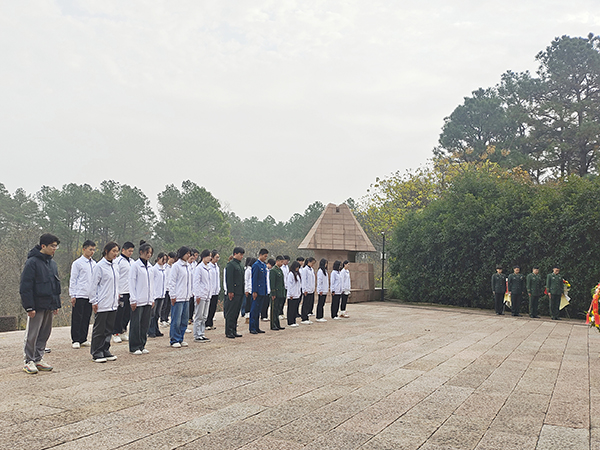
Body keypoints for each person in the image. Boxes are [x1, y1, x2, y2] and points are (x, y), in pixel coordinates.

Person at [20, 233, 61, 374]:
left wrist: (56, 304)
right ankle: (29, 360)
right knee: (33, 333)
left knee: (45, 333)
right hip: (36, 305)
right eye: (52, 246)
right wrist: (29, 306)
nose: (55, 249)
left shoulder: (52, 263)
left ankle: (38, 358)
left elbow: (55, 286)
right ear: (43, 246)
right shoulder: (32, 262)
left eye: (56, 246)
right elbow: (25, 286)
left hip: (49, 304)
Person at [89, 242, 120, 363]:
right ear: (106, 251)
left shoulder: (115, 265)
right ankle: (97, 351)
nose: (115, 254)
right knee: (100, 329)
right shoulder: (99, 266)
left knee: (109, 328)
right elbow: (93, 285)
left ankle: (105, 349)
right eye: (113, 251)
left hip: (112, 302)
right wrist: (94, 301)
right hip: (102, 302)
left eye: (117, 251)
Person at [69, 240, 97, 349]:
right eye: (90, 249)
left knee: (86, 317)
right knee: (77, 317)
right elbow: (73, 279)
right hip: (80, 293)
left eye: (94, 250)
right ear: (84, 249)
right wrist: (73, 294)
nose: (92, 252)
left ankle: (83, 338)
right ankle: (75, 339)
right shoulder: (77, 263)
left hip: (90, 295)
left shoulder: (94, 264)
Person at [128, 241, 154, 354]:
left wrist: (152, 298)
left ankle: (142, 344)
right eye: (147, 252)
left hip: (148, 300)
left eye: (150, 253)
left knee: (145, 324)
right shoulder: (135, 266)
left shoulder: (150, 267)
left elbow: (152, 284)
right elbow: (132, 283)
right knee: (136, 324)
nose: (148, 255)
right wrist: (133, 299)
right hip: (138, 300)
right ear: (141, 252)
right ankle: (134, 346)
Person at [168, 246, 193, 347]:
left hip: (186, 297)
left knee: (184, 319)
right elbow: (172, 281)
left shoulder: (188, 266)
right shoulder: (176, 266)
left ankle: (181, 338)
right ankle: (174, 339)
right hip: (178, 297)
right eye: (187, 253)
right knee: (176, 320)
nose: (188, 255)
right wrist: (172, 295)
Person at [112, 241, 135, 343]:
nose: (130, 253)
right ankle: (115, 332)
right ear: (123, 250)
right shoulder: (118, 261)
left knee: (127, 313)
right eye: (129, 251)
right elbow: (115, 277)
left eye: (132, 251)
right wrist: (117, 291)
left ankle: (123, 330)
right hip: (121, 290)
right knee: (119, 313)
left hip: (130, 291)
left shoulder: (132, 262)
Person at [224, 247, 245, 338]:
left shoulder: (240, 265)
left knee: (236, 312)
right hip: (234, 292)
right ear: (235, 254)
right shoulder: (231, 265)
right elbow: (229, 279)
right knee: (231, 312)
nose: (242, 256)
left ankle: (234, 330)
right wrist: (230, 291)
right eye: (240, 254)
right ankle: (228, 331)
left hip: (240, 292)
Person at [192, 249, 212, 342]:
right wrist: (197, 294)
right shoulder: (199, 268)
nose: (210, 258)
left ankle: (202, 333)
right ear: (204, 256)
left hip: (207, 295)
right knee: (199, 316)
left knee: (204, 316)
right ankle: (197, 334)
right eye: (209, 256)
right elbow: (196, 282)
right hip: (201, 295)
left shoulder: (208, 267)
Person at [148, 252, 168, 338]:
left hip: (161, 294)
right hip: (155, 294)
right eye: (163, 260)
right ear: (158, 258)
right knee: (152, 314)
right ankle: (151, 330)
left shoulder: (164, 269)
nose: (164, 262)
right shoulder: (154, 269)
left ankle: (156, 329)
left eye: (165, 260)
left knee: (157, 314)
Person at [250, 249, 269, 334]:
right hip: (257, 291)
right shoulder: (256, 265)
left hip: (262, 291)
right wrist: (254, 291)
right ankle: (252, 327)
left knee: (258, 310)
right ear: (260, 255)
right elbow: (254, 279)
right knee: (254, 310)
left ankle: (257, 327)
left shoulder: (264, 265)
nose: (265, 258)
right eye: (264, 256)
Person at [269, 256, 286, 331]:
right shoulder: (273, 271)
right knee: (274, 309)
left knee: (278, 309)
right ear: (277, 261)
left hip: (280, 293)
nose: (282, 263)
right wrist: (273, 293)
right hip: (275, 293)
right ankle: (273, 325)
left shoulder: (279, 270)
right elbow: (272, 283)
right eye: (281, 262)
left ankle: (277, 324)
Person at [159, 251, 176, 327]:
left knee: (169, 305)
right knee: (164, 305)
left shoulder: (173, 267)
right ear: (169, 257)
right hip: (165, 289)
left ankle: (166, 318)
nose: (173, 260)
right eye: (172, 258)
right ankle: (162, 319)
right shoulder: (165, 267)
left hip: (170, 289)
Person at [205, 250, 220, 330]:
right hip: (210, 290)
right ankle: (207, 323)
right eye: (216, 257)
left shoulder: (216, 267)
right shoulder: (209, 266)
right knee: (209, 307)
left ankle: (210, 323)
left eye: (218, 257)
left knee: (213, 307)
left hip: (216, 290)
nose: (217, 259)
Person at [286, 261, 302, 327]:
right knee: (291, 309)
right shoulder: (291, 274)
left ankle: (294, 320)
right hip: (292, 294)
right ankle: (290, 321)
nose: (297, 268)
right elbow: (289, 285)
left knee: (295, 308)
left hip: (297, 294)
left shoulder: (297, 274)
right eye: (297, 267)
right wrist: (290, 294)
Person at [301, 257, 316, 324]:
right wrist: (304, 289)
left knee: (309, 303)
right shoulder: (305, 270)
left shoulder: (311, 269)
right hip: (307, 289)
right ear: (308, 262)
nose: (313, 264)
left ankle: (307, 316)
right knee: (305, 304)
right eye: (312, 263)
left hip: (311, 289)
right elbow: (304, 280)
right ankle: (304, 318)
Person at [242, 257, 256, 322]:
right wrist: (246, 290)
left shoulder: (253, 269)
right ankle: (247, 315)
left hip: (253, 288)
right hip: (249, 289)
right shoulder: (248, 270)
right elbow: (246, 280)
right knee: (248, 303)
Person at [280, 255, 290, 319]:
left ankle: (282, 312)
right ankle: (279, 313)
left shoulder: (287, 267)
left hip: (286, 286)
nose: (287, 262)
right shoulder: (281, 267)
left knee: (283, 300)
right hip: (282, 286)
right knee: (280, 300)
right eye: (286, 260)